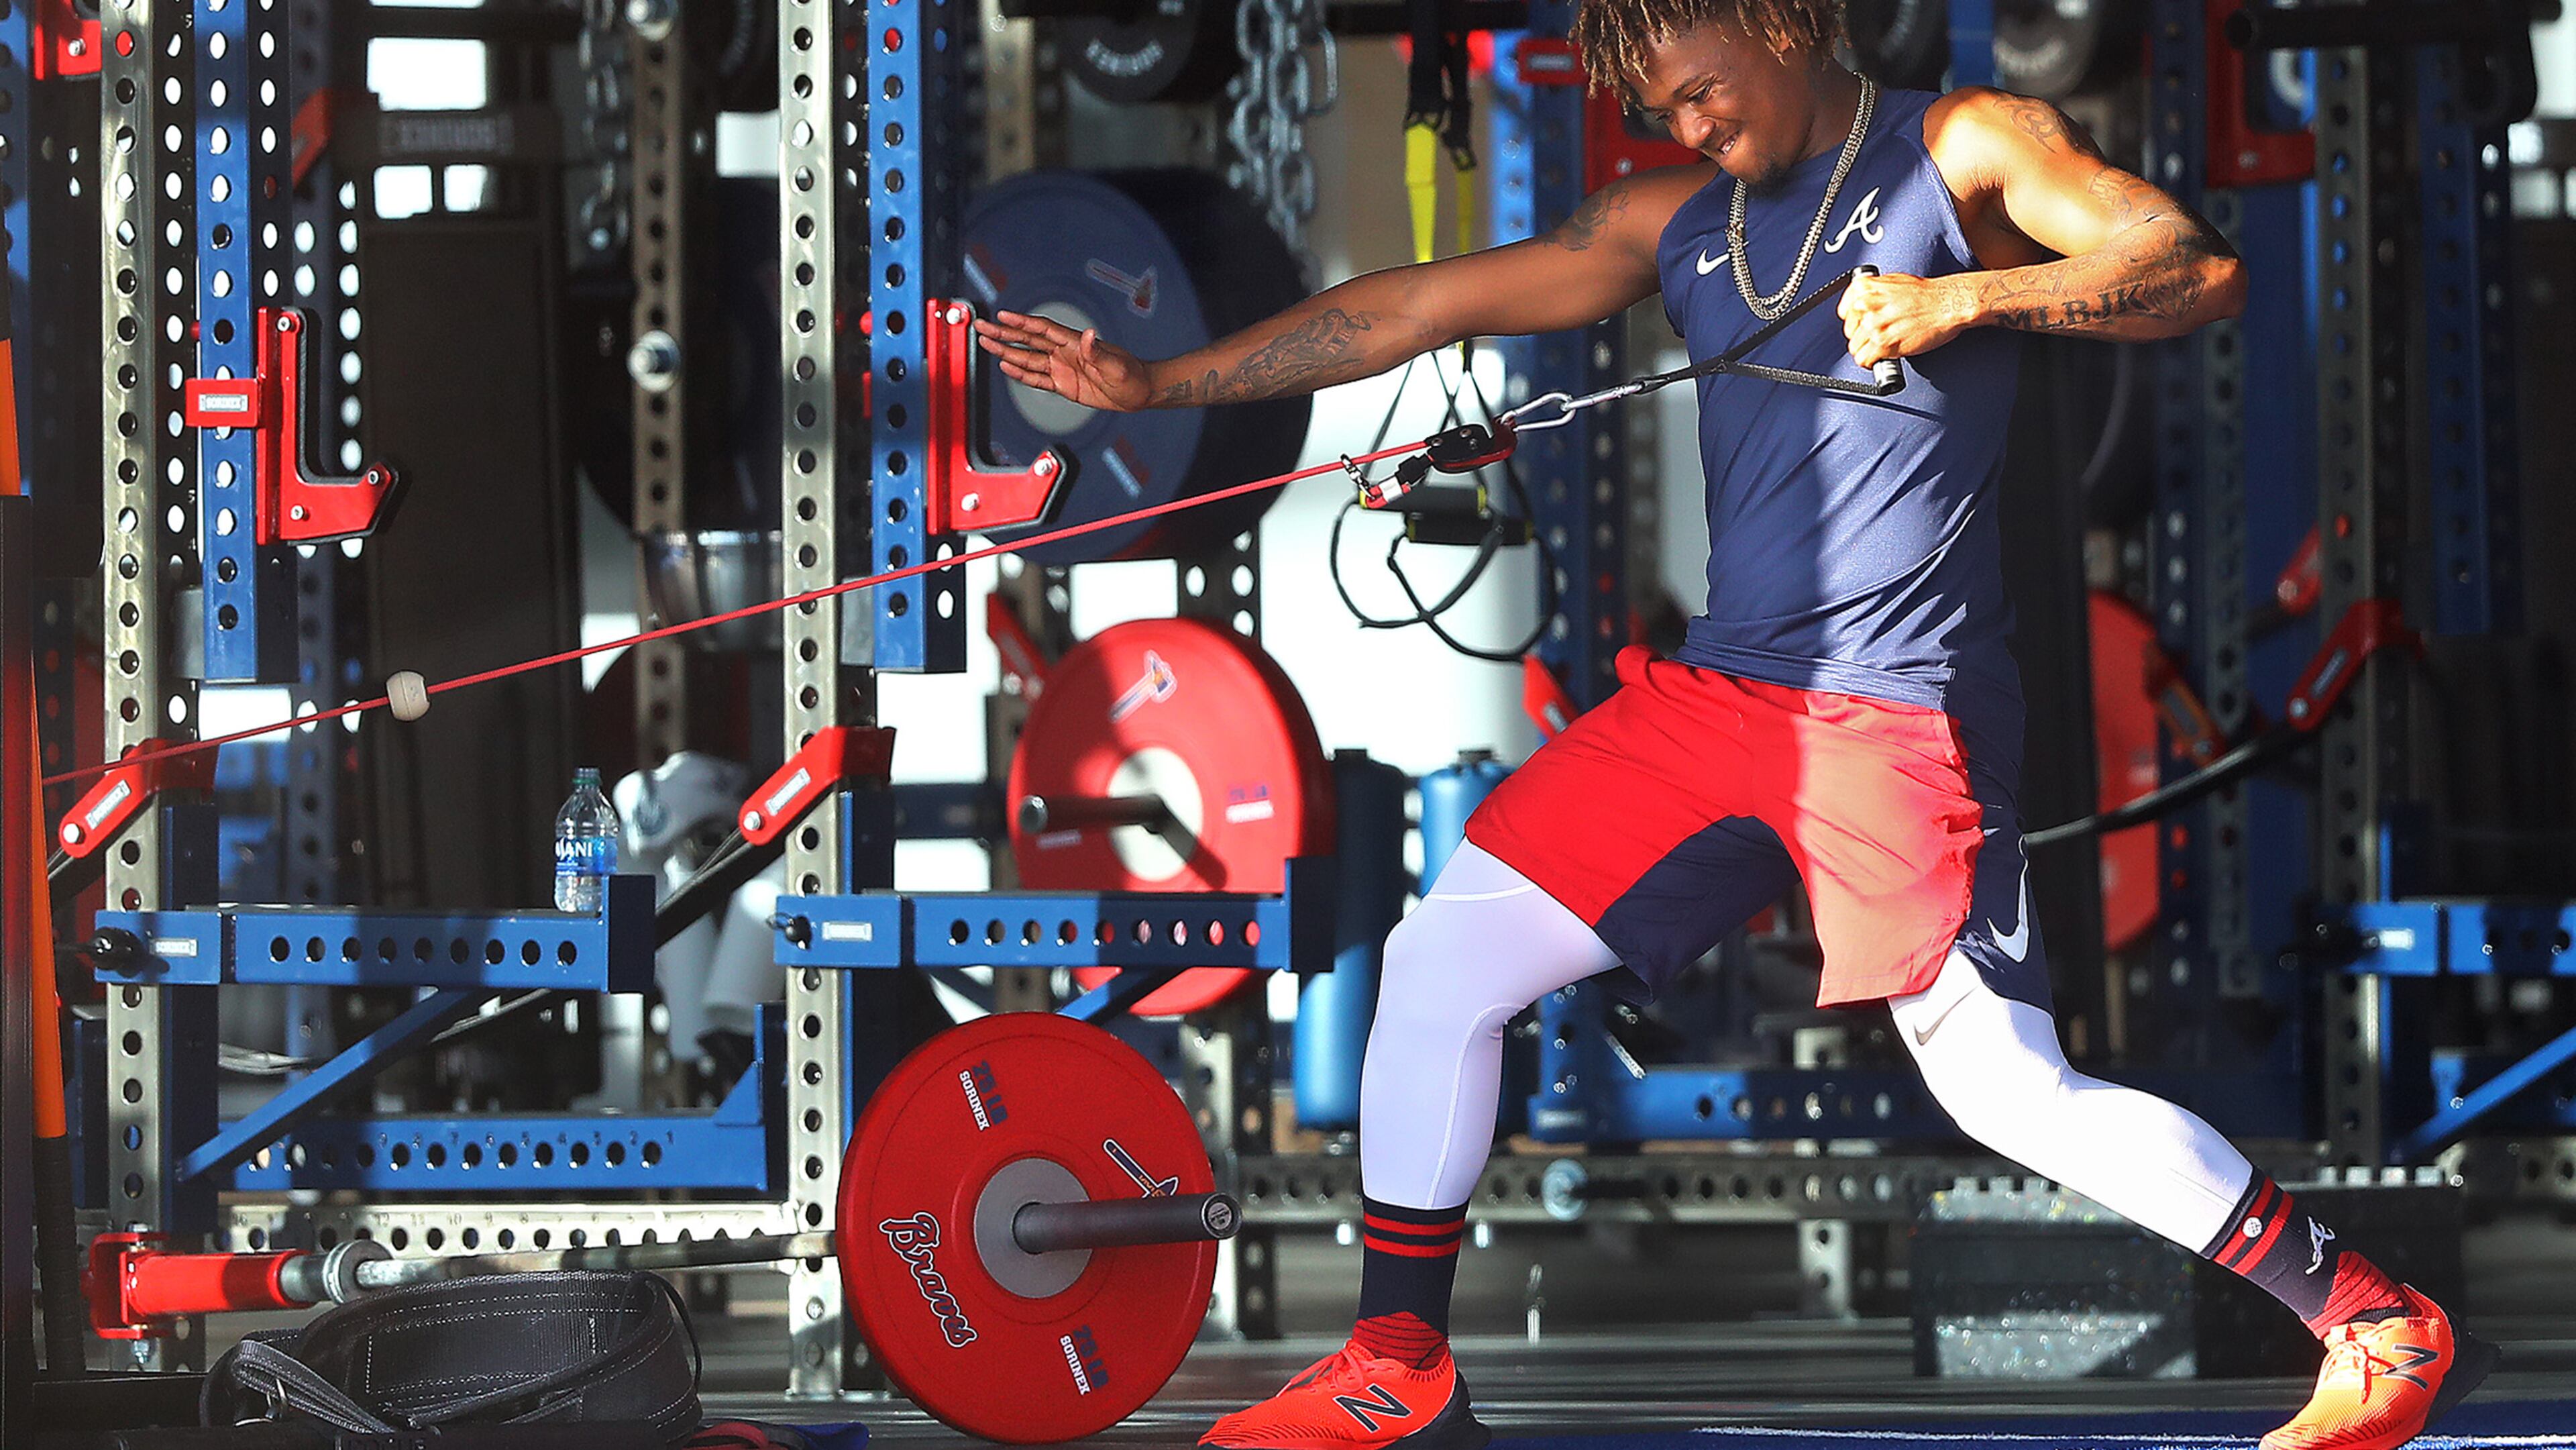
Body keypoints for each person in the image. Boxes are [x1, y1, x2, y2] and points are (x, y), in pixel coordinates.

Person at [975, 3, 2492, 1447]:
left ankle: (2369, 1318)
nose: (1688, 123)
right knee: (1444, 965)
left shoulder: (1963, 148)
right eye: (1660, 109)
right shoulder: (1671, 223)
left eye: (1701, 87)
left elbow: (2190, 265)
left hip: (1898, 711)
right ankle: (1399, 1366)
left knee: (2001, 1086)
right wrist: (1159, 378)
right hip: (1719, 702)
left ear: (1781, 23)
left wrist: (1972, 291)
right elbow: (1415, 304)